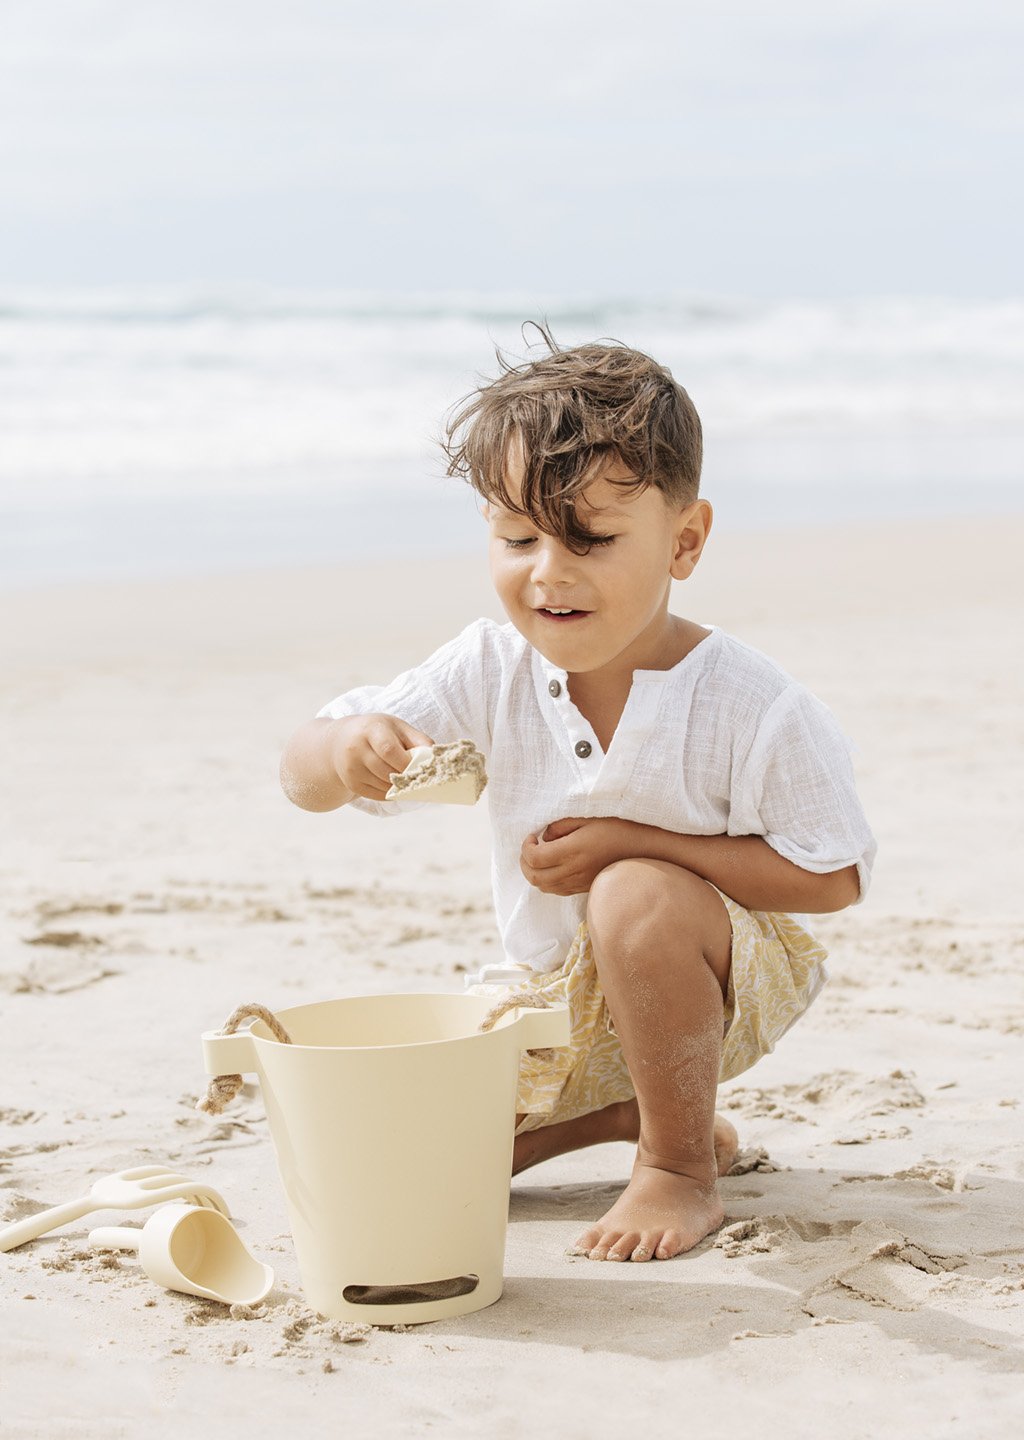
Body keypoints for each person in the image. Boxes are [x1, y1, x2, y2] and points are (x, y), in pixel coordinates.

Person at [280, 329, 876, 1264]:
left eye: (590, 539)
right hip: (556, 1006)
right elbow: (299, 775)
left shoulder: (748, 702)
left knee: (631, 886)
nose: (548, 571)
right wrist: (346, 749)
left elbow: (832, 876)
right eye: (517, 537)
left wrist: (635, 842)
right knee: (422, 1158)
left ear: (685, 541)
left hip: (720, 984)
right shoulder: (488, 667)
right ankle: (631, 1108)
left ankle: (678, 1167)